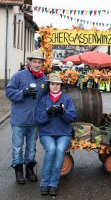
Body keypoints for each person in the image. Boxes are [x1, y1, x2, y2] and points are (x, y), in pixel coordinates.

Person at [5, 49, 48, 184]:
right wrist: (23, 92)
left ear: (42, 64)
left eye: (39, 62)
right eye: (34, 62)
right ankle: (19, 171)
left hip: (34, 121)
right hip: (19, 119)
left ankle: (29, 169)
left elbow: (47, 97)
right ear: (29, 62)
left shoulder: (44, 79)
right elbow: (9, 92)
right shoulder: (19, 76)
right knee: (17, 147)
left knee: (31, 147)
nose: (36, 64)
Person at [36, 73, 76, 196]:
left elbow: (72, 117)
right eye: (52, 83)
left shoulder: (67, 99)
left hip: (63, 133)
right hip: (46, 133)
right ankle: (44, 183)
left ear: (60, 85)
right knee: (51, 148)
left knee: (59, 149)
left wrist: (63, 112)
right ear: (49, 85)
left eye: (57, 84)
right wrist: (47, 112)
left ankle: (53, 183)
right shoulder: (43, 100)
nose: (55, 86)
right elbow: (39, 119)